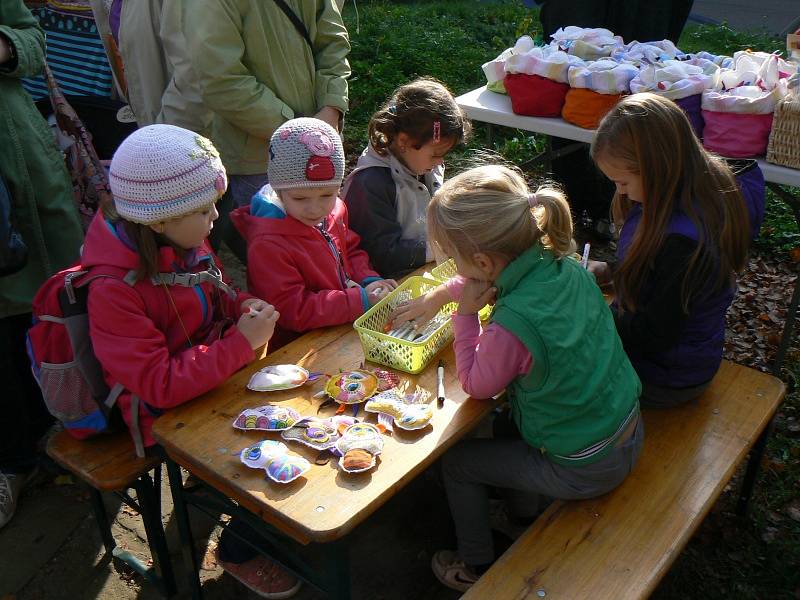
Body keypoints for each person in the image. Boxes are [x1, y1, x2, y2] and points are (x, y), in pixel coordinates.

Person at [82, 124, 301, 598]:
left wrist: (240, 306)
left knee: (297, 422)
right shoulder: (113, 290)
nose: (215, 217)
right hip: (162, 413)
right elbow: (158, 386)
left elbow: (216, 295)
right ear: (158, 219)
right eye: (204, 210)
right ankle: (239, 550)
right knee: (267, 462)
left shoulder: (184, 242)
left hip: (210, 377)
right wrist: (240, 346)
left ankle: (248, 521)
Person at [406, 165, 643, 592]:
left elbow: (478, 385)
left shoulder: (512, 325)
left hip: (586, 465)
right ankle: (522, 515)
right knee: (507, 423)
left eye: (453, 259)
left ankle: (476, 565)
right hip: (625, 428)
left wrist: (463, 317)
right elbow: (495, 284)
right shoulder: (564, 267)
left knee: (458, 463)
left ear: (482, 262)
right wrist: (445, 292)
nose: (453, 267)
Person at [588, 93, 750, 408]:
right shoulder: (680, 194)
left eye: (622, 182)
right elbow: (659, 279)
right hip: (666, 358)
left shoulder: (684, 244)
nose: (620, 191)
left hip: (665, 377)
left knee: (555, 368)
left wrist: (591, 312)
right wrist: (611, 271)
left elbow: (654, 334)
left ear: (656, 169)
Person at [0, 0, 85, 530]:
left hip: (22, 161)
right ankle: (12, 460)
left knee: (57, 300)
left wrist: (5, 45)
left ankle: (75, 423)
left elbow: (32, 39)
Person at [183, 0, 351, 264]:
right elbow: (221, 80)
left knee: (325, 248)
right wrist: (297, 132)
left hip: (319, 136)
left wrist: (331, 106)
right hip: (258, 152)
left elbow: (333, 43)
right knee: (278, 260)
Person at [231, 117, 396, 349]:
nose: (315, 208)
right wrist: (360, 300)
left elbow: (350, 250)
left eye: (327, 195)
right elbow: (291, 309)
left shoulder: (335, 210)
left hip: (338, 328)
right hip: (297, 347)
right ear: (279, 192)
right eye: (300, 198)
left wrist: (368, 279)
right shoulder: (268, 242)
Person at [341, 78, 471, 279]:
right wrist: (440, 248)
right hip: (385, 287)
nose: (440, 161)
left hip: (422, 272)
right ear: (404, 141)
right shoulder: (370, 184)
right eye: (436, 154)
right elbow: (382, 254)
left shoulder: (422, 164)